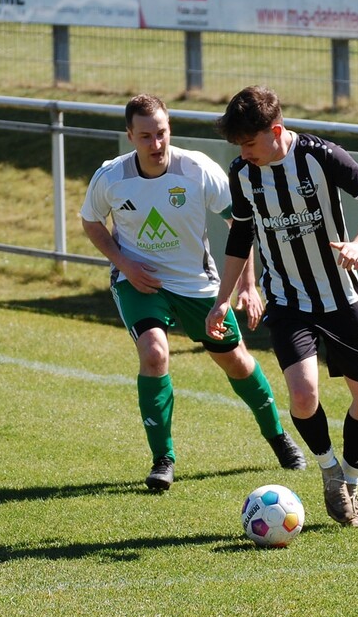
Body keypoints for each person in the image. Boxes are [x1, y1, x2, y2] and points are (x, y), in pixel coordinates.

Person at [80, 93, 305, 492]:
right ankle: (163, 459)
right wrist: (124, 264)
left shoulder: (198, 169)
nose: (156, 144)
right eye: (145, 136)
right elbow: (91, 222)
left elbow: (241, 224)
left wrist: (247, 285)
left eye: (161, 133)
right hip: (140, 283)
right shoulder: (111, 177)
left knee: (236, 362)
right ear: (130, 136)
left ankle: (278, 437)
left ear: (170, 129)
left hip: (196, 284)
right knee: (154, 353)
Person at [206, 86, 358, 528]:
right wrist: (222, 300)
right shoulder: (243, 174)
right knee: (304, 394)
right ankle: (329, 470)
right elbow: (241, 235)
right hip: (289, 299)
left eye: (249, 143)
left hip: (341, 295)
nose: (243, 153)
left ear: (276, 131)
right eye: (238, 146)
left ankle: (351, 481)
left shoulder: (321, 156)